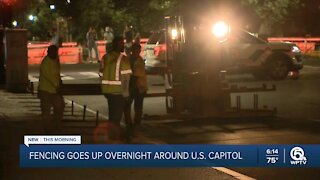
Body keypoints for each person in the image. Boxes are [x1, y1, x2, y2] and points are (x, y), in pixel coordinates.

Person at [100, 36, 132, 132]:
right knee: (116, 118)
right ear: (117, 45)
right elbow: (126, 78)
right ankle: (114, 138)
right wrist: (126, 95)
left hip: (108, 92)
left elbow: (101, 74)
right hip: (118, 92)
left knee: (112, 115)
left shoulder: (105, 57)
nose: (124, 45)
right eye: (122, 43)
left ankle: (111, 136)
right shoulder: (123, 59)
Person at [38, 45, 65, 133]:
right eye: (54, 52)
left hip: (54, 90)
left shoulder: (55, 61)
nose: (56, 54)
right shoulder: (46, 62)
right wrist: (57, 86)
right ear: (49, 52)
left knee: (60, 106)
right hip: (46, 90)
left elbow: (57, 74)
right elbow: (49, 76)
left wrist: (59, 82)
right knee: (46, 111)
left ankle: (56, 125)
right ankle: (48, 129)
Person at [124, 43, 148, 140]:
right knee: (137, 107)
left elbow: (134, 75)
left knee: (130, 107)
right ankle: (133, 126)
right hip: (137, 87)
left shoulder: (131, 59)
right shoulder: (138, 60)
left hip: (135, 87)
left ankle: (131, 125)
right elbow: (135, 76)